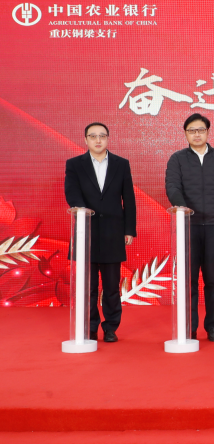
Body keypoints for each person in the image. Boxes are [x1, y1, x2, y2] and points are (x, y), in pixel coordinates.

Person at [165, 113, 214, 342]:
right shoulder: (177, 159)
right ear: (185, 133)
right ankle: (190, 326)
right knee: (189, 279)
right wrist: (184, 210)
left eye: (200, 130)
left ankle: (212, 326)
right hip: (189, 227)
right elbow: (172, 187)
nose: (196, 134)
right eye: (192, 130)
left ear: (208, 132)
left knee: (212, 278)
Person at [64, 122, 137, 343]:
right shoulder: (74, 164)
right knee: (88, 287)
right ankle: (91, 327)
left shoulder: (121, 164)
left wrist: (129, 229)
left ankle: (111, 327)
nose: (98, 140)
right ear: (85, 139)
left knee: (112, 287)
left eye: (102, 136)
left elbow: (129, 199)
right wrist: (83, 212)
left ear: (108, 139)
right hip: (85, 231)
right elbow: (72, 193)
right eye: (93, 136)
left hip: (113, 233)